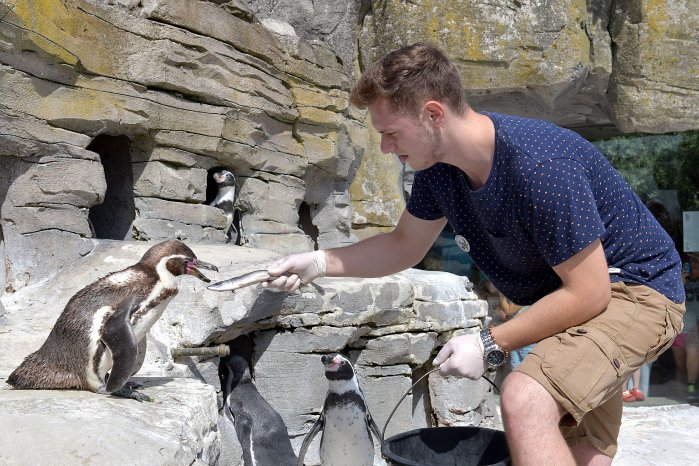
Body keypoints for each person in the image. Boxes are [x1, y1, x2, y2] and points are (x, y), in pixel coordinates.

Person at [260, 43, 686, 465]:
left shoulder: (540, 164)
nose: (386, 147)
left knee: (524, 398)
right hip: (575, 300)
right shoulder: (439, 173)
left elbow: (591, 293)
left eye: (391, 133)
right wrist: (317, 263)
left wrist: (489, 342)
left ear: (433, 114)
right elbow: (402, 245)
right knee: (575, 447)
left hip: (635, 290)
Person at [672, 252, 699, 399]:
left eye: (697, 263)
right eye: (692, 262)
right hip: (680, 328)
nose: (694, 266)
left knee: (693, 353)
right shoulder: (680, 282)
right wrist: (681, 283)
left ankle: (691, 388)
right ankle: (680, 394)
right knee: (680, 365)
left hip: (695, 329)